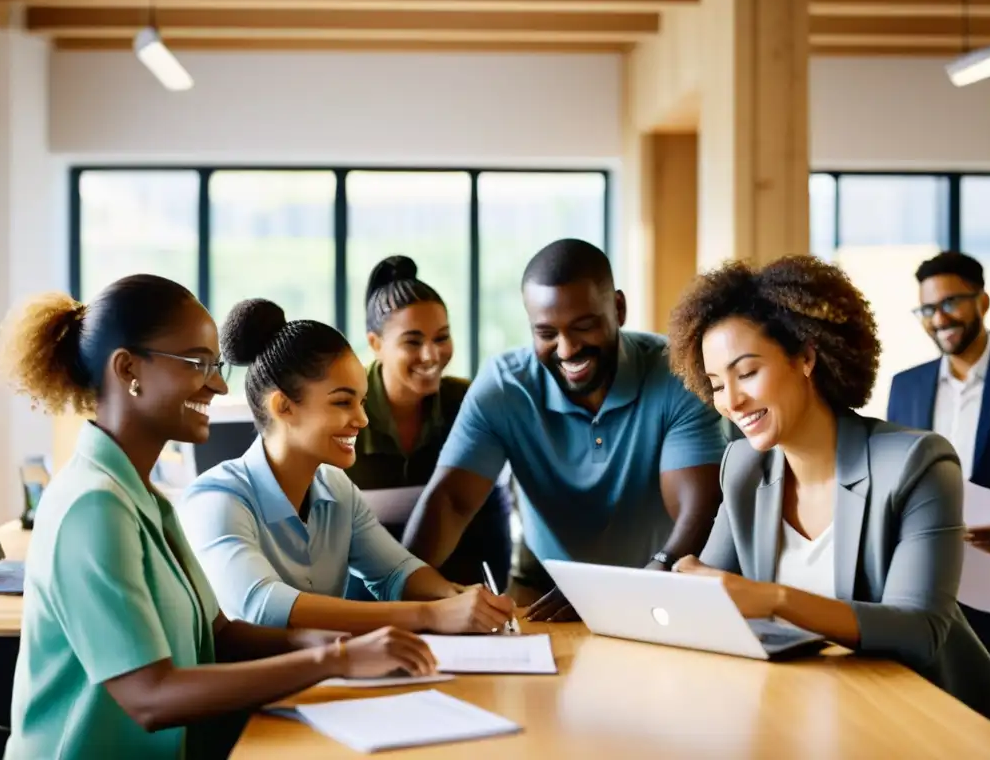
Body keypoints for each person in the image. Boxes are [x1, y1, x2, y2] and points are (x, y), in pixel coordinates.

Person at [0, 276, 438, 760]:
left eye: (217, 364)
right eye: (197, 364)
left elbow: (219, 634)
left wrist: (327, 642)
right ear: (128, 369)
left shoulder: (144, 495)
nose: (220, 384)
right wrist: (335, 659)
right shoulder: (93, 504)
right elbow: (150, 697)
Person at [666, 255, 990, 721]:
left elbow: (920, 631)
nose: (732, 401)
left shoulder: (916, 463)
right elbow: (717, 599)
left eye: (747, 373)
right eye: (717, 384)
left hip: (927, 718)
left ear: (806, 356)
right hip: (808, 706)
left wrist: (772, 599)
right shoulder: (743, 465)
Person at [402, 238, 728, 621]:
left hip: (658, 578)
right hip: (544, 586)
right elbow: (451, 501)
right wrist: (404, 600)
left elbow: (697, 508)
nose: (567, 348)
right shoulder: (505, 387)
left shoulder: (675, 373)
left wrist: (627, 590)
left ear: (618, 308)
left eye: (584, 326)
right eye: (546, 333)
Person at [176, 298, 515, 636]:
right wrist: (431, 615)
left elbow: (396, 571)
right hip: (249, 687)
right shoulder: (217, 498)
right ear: (283, 406)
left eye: (362, 401)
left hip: (326, 682)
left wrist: (458, 597)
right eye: (342, 402)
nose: (362, 419)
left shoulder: (336, 488)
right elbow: (265, 606)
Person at [344, 256, 513, 595]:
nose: (431, 355)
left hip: (470, 597)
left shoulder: (468, 403)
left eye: (442, 338)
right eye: (413, 341)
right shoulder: (343, 409)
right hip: (365, 606)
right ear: (375, 344)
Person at [887, 252, 990, 656]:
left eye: (950, 303)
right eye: (927, 309)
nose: (939, 319)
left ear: (982, 301)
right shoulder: (906, 386)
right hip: (930, 581)